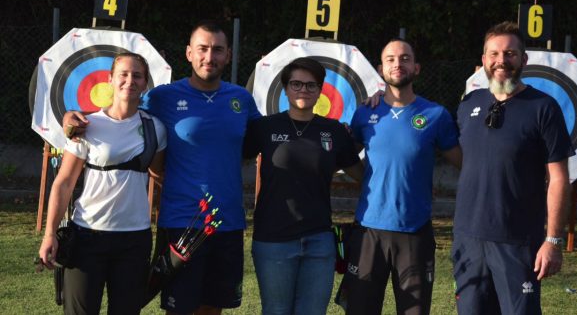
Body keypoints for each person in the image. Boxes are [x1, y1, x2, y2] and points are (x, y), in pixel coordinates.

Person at [63, 20, 261, 315]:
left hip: (227, 221)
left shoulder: (241, 99)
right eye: (203, 49)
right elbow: (120, 116)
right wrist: (69, 117)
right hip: (181, 221)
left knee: (212, 309)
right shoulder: (162, 97)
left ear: (228, 56)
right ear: (189, 53)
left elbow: (266, 138)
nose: (210, 57)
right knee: (179, 308)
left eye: (218, 50)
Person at [452, 21, 574, 315]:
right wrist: (381, 99)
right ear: (483, 61)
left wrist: (553, 240)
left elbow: (559, 179)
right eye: (493, 54)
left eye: (510, 53)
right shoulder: (469, 104)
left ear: (523, 59)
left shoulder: (544, 107)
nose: (501, 61)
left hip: (517, 243)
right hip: (468, 240)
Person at [38, 52, 167, 314]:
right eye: (123, 74)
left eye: (137, 76)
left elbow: (159, 175)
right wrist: (50, 233)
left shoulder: (156, 128)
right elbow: (64, 183)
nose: (130, 80)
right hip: (87, 236)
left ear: (145, 84)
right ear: (110, 80)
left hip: (134, 239)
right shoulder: (87, 125)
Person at [342, 38, 462, 315]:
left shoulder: (436, 115)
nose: (398, 64)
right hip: (368, 231)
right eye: (391, 59)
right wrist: (369, 180)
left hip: (414, 233)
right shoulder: (365, 113)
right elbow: (346, 158)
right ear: (380, 68)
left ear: (417, 68)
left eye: (405, 58)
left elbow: (465, 165)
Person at [243, 57, 363, 315]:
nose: (303, 90)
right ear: (285, 88)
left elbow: (362, 175)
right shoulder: (264, 127)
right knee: (276, 310)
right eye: (296, 84)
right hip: (273, 239)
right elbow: (231, 160)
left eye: (311, 85)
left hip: (319, 239)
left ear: (321, 90)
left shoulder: (334, 131)